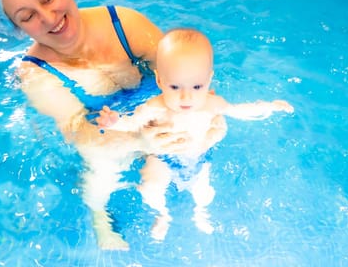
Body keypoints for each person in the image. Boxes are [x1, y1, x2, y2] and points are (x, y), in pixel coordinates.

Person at [0, 0, 227, 251]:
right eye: (27, 17)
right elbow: (78, 133)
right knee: (101, 171)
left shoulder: (123, 24)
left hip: (156, 106)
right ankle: (100, 218)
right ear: (16, 27)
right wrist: (139, 141)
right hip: (104, 133)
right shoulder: (38, 76)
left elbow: (182, 68)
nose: (49, 17)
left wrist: (205, 110)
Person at [96, 28, 294, 240]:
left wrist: (269, 106)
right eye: (174, 86)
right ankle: (163, 214)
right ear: (160, 81)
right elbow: (133, 123)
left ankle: (200, 212)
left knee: (204, 192)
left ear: (209, 81)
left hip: (199, 158)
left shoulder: (212, 104)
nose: (186, 96)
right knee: (150, 187)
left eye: (197, 86)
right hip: (163, 157)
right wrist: (114, 122)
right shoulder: (156, 107)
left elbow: (240, 110)